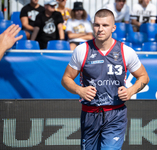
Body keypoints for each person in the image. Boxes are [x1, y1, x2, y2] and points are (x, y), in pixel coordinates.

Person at [61, 9, 149, 150]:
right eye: (97, 25)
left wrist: (131, 91)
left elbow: (144, 76)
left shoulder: (126, 51)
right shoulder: (82, 50)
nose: (100, 29)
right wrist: (79, 90)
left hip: (116, 114)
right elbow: (66, 78)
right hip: (90, 114)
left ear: (113, 27)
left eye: (105, 25)